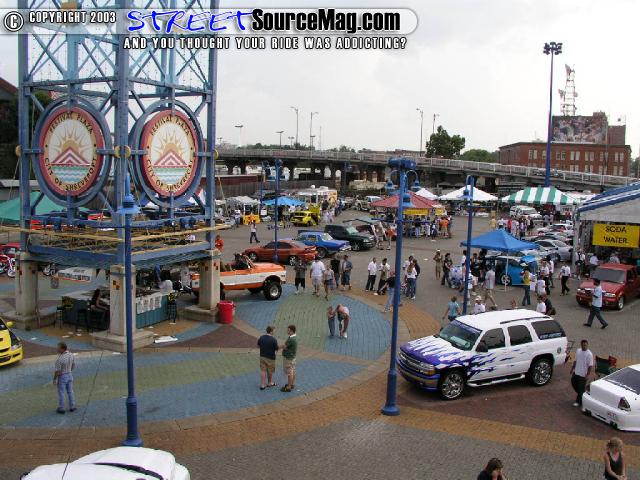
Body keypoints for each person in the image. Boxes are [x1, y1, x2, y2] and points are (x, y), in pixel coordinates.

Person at [53, 342, 76, 414]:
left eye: (58, 348)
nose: (57, 349)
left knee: (61, 393)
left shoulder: (59, 359)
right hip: (70, 374)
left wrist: (54, 379)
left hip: (62, 376)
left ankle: (61, 408)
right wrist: (69, 371)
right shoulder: (71, 355)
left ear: (62, 349)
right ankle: (72, 406)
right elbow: (73, 365)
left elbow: (57, 371)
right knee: (70, 391)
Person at [570, 339, 593, 406]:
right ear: (581, 345)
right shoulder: (578, 351)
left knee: (581, 388)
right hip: (576, 372)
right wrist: (572, 368)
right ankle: (583, 395)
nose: (584, 346)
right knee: (573, 383)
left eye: (585, 345)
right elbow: (575, 360)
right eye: (583, 345)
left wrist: (587, 375)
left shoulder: (589, 354)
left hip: (582, 375)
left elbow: (590, 365)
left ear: (587, 345)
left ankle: (579, 402)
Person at [257, 326, 279, 390]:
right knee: (270, 371)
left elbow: (258, 345)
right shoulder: (273, 340)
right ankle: (269, 383)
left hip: (262, 356)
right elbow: (276, 349)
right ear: (271, 331)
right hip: (270, 358)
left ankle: (262, 385)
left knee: (263, 371)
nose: (274, 332)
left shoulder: (261, 337)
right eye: (274, 331)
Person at [280, 325, 297, 393]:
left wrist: (279, 347)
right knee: (293, 370)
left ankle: (289, 387)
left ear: (292, 331)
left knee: (289, 372)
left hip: (288, 358)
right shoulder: (294, 337)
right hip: (292, 357)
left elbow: (284, 346)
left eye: (288, 330)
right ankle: (291, 384)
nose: (287, 331)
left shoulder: (291, 339)